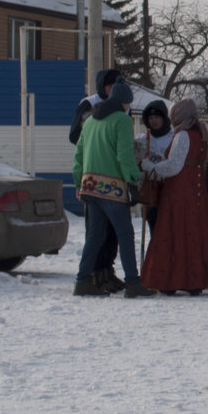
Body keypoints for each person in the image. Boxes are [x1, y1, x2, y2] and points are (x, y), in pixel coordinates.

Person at [71, 79, 155, 298]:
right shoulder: (122, 121)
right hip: (112, 188)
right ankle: (133, 283)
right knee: (125, 234)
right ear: (125, 102)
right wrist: (133, 180)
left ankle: (82, 281)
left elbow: (78, 155)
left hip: (89, 185)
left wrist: (79, 180)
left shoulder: (89, 121)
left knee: (95, 236)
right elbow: (124, 155)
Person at [137, 99, 208, 295]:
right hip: (196, 190)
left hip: (179, 190)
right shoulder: (201, 132)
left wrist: (152, 166)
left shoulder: (182, 135)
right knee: (193, 233)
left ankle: (169, 280)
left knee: (173, 232)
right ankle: (194, 280)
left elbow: (174, 165)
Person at [69, 68, 123, 292]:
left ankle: (106, 271)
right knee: (96, 229)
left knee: (113, 230)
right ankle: (92, 273)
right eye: (111, 85)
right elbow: (75, 135)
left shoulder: (121, 107)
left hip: (113, 176)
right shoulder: (89, 105)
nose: (114, 90)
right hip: (93, 173)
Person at [137, 99, 174, 233]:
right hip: (150, 188)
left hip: (168, 187)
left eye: (157, 117)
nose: (154, 121)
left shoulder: (173, 137)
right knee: (154, 226)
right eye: (151, 117)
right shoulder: (142, 139)